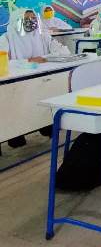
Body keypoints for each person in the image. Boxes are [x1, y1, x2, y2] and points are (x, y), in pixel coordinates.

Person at [0, 8, 70, 148]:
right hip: (16, 84)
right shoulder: (6, 38)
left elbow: (64, 51)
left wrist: (44, 58)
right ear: (16, 21)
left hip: (41, 80)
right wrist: (28, 62)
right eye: (26, 19)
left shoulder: (42, 35)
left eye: (33, 19)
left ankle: (44, 127)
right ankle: (16, 135)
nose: (31, 22)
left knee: (42, 103)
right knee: (17, 112)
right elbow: (3, 63)